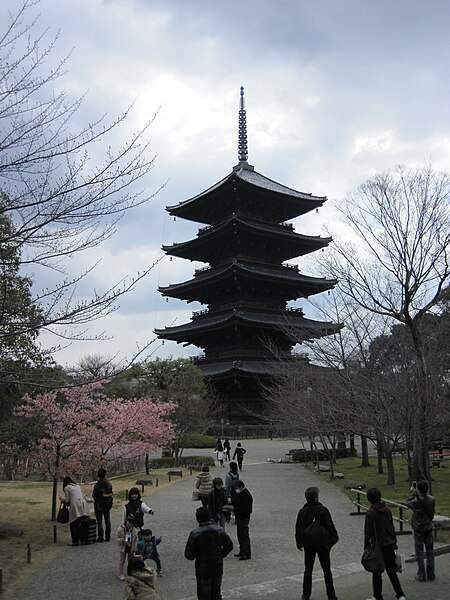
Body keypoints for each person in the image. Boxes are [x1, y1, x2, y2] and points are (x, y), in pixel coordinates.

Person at [295, 486, 339, 600]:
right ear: (316, 498)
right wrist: (333, 540)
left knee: (308, 569)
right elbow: (330, 526)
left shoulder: (302, 511)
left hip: (309, 543)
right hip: (322, 543)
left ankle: (306, 595)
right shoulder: (322, 510)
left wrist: (299, 542)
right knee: (326, 570)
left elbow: (298, 528)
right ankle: (331, 594)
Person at [364, 487, 406, 600]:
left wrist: (366, 547)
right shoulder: (387, 510)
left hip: (378, 546)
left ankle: (377, 595)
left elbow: (367, 532)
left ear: (369, 499)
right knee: (391, 571)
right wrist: (394, 542)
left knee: (377, 572)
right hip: (390, 543)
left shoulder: (370, 513)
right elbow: (391, 527)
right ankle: (400, 594)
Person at [184, 505, 234, 600]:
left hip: (203, 568)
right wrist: (221, 555)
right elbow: (229, 546)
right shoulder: (219, 530)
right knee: (216, 594)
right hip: (217, 565)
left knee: (204, 595)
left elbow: (189, 555)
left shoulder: (195, 534)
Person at [406, 480, 435, 582]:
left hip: (419, 529)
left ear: (418, 490)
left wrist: (412, 493)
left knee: (419, 552)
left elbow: (407, 503)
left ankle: (421, 574)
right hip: (429, 527)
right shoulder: (432, 499)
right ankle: (431, 574)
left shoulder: (415, 502)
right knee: (430, 552)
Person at [61, 476, 90, 547]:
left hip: (75, 505)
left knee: (73, 523)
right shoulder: (77, 486)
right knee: (83, 522)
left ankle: (75, 541)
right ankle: (84, 540)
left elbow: (67, 500)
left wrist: (63, 500)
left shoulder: (67, 488)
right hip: (83, 504)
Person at [232, 480, 253, 560]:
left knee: (244, 535)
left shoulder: (246, 495)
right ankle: (242, 550)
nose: (236, 490)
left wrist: (235, 509)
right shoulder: (241, 494)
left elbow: (246, 509)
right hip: (240, 517)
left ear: (241, 487)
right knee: (240, 535)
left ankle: (246, 553)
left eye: (237, 488)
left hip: (244, 517)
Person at [92, 467, 113, 542]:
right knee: (107, 520)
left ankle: (100, 537)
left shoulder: (97, 486)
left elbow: (94, 496)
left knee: (100, 521)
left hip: (99, 505)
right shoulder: (109, 484)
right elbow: (110, 493)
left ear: (98, 475)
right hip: (107, 504)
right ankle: (108, 537)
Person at [117, 514, 138, 580]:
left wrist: (136, 543)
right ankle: (120, 573)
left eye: (131, 523)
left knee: (130, 561)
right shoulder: (120, 529)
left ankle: (130, 572)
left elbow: (136, 538)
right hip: (123, 547)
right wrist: (122, 540)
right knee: (122, 561)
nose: (129, 524)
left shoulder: (134, 530)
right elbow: (117, 538)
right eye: (128, 522)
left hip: (131, 547)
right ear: (126, 521)